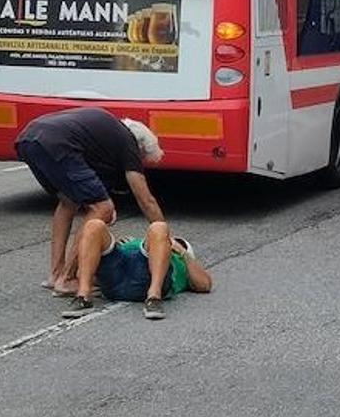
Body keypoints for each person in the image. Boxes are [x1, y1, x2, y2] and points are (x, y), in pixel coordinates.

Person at [15, 108, 166, 293]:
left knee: (67, 202)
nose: (138, 161)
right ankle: (67, 278)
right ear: (140, 147)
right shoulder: (128, 142)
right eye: (141, 158)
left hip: (28, 138)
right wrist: (165, 237)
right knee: (103, 208)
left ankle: (55, 275)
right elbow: (145, 200)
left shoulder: (106, 133)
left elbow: (91, 180)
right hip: (57, 142)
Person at [61, 219, 212, 320]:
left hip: (147, 279)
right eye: (170, 240)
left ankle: (154, 297)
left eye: (176, 241)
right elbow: (85, 273)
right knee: (94, 225)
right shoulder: (140, 244)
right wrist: (114, 248)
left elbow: (205, 284)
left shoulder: (179, 261)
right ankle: (83, 297)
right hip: (118, 275)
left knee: (159, 226)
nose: (171, 241)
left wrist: (181, 251)